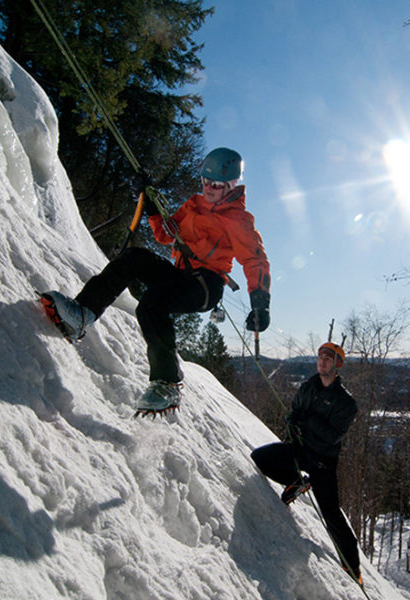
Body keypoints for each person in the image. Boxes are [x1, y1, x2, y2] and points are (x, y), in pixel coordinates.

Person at [40, 147, 270, 414]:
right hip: (181, 275)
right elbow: (164, 234)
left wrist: (260, 304)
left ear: (231, 185)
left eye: (216, 185)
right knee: (134, 257)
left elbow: (255, 261)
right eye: (205, 182)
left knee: (152, 303)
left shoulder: (239, 220)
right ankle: (83, 313)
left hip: (206, 285)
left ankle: (168, 383)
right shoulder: (194, 205)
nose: (208, 188)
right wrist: (149, 202)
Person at [250, 342, 362, 585]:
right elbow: (294, 413)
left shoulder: (346, 402)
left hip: (323, 462)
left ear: (338, 364)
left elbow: (332, 435)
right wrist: (292, 422)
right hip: (300, 449)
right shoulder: (307, 387)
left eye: (328, 358)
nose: (322, 361)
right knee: (260, 458)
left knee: (331, 514)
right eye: (320, 356)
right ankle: (295, 481)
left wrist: (307, 421)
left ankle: (353, 568)